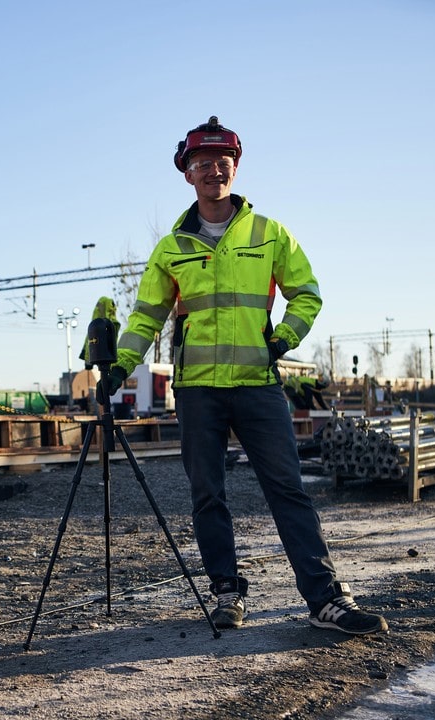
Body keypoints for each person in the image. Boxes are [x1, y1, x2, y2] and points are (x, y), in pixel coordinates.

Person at [102, 117, 387, 635]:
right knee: (207, 495)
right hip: (197, 392)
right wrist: (121, 366)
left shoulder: (269, 233)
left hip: (257, 384)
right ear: (187, 174)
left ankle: (325, 599)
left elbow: (308, 294)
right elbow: (146, 317)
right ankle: (227, 593)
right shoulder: (171, 249)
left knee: (288, 489)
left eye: (222, 162)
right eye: (202, 163)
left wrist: (283, 338)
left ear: (235, 167)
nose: (214, 170)